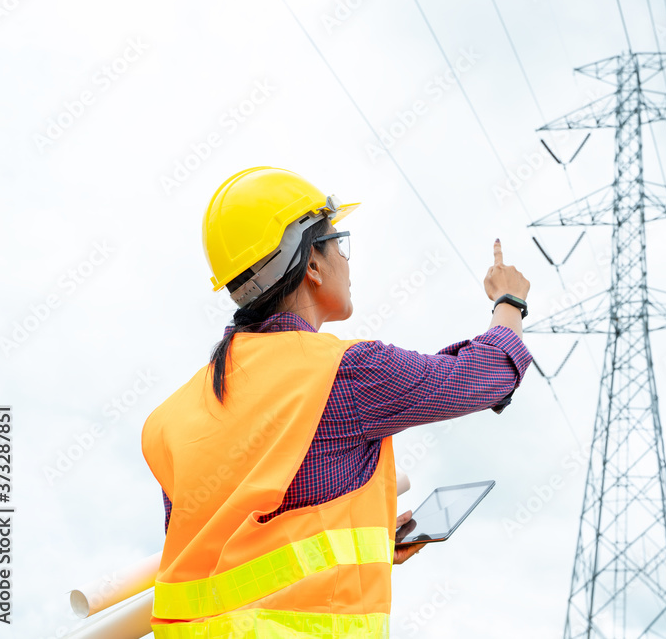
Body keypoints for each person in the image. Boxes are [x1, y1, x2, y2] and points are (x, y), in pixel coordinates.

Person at [140, 166, 532, 638]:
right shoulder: (345, 373)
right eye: (339, 244)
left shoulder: (173, 417)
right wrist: (509, 300)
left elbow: (233, 552)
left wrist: (356, 547)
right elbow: (486, 375)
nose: (346, 260)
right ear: (312, 265)